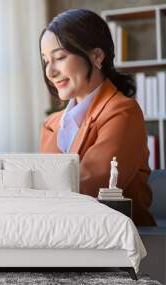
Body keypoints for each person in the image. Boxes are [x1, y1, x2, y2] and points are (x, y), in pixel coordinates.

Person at [39, 8, 156, 226]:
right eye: (46, 60)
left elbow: (89, 188)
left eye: (60, 57)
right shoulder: (51, 124)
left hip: (120, 246)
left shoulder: (123, 112)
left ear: (97, 56)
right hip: (61, 237)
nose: (50, 71)